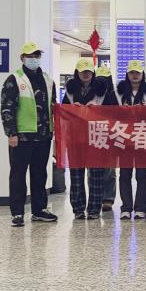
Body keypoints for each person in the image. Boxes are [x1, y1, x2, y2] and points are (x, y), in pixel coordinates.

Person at [1, 41, 58, 227]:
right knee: (18, 175)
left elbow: (54, 107)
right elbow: (7, 108)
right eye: (30, 56)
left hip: (43, 135)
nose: (33, 59)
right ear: (22, 58)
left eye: (36, 56)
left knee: (40, 174)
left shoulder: (48, 80)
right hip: (22, 136)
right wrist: (11, 133)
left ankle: (39, 210)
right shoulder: (15, 79)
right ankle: (17, 213)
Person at [61, 58, 108, 219]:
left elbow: (113, 112)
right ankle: (78, 209)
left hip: (96, 136)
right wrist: (71, 109)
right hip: (75, 136)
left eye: (88, 71)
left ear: (93, 73)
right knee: (76, 174)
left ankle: (94, 209)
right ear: (77, 73)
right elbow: (63, 112)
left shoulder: (103, 90)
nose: (86, 74)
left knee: (96, 174)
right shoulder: (70, 91)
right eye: (83, 71)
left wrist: (98, 109)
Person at [116, 60, 146, 220]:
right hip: (124, 138)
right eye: (132, 73)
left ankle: (141, 207)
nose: (135, 75)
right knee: (124, 174)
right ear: (127, 74)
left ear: (142, 74)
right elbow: (107, 113)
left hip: (142, 136)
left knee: (142, 174)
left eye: (137, 73)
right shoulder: (118, 93)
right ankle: (126, 208)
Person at [95, 65, 118, 212]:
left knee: (109, 170)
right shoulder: (91, 94)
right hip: (93, 135)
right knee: (93, 170)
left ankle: (108, 198)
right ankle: (95, 197)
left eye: (105, 79)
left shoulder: (114, 95)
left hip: (109, 135)